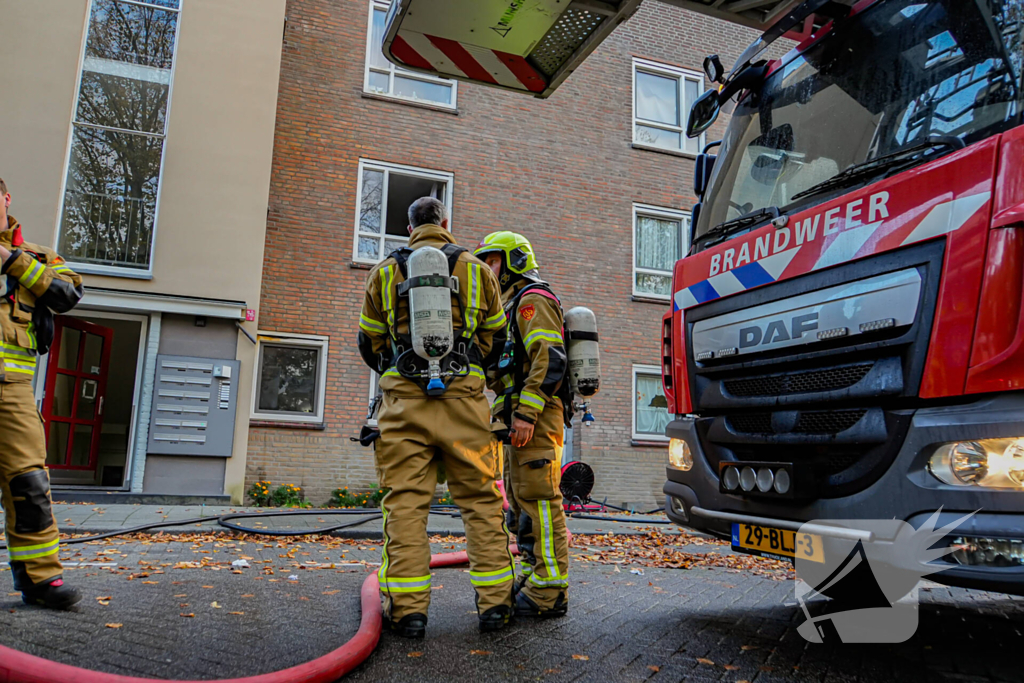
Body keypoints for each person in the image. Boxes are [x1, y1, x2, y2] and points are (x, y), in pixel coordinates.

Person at [357, 197, 515, 638]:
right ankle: (496, 607)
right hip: (465, 402)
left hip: (404, 404)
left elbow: (368, 343)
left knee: (405, 505)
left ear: (409, 228)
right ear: (446, 223)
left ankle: (409, 613)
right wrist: (468, 369)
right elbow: (496, 337)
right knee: (482, 503)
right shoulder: (479, 271)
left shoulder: (384, 272)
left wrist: (400, 373)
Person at [474, 231, 570, 618]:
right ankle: (533, 574)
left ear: (512, 261)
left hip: (537, 418)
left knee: (541, 502)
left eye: (492, 261)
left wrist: (527, 413)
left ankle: (551, 590)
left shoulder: (532, 300)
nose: (487, 270)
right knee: (520, 501)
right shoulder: (512, 305)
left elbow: (550, 359)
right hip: (518, 420)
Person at [0, 177, 84, 609]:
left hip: (12, 394)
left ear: (6, 198)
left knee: (29, 484)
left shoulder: (37, 256)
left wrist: (11, 261)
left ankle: (40, 581)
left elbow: (69, 294)